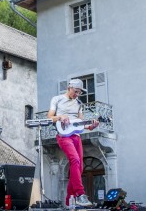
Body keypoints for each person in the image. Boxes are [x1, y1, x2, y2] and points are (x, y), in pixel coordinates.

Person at [47, 79, 99, 208]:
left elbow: (81, 125)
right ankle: (80, 194)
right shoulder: (57, 99)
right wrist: (60, 117)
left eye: (79, 93)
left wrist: (92, 126)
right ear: (69, 88)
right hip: (63, 135)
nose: (77, 95)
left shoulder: (79, 104)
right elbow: (49, 117)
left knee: (80, 167)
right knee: (74, 159)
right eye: (75, 92)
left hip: (76, 136)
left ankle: (69, 198)